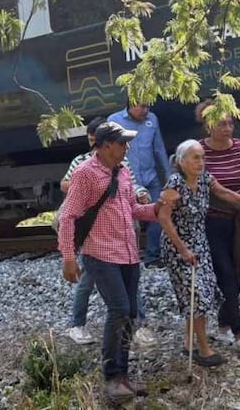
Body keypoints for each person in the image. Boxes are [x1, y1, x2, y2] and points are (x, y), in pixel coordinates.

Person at [57, 121, 163, 403]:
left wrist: (157, 210)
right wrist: (68, 257)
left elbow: (132, 210)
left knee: (128, 314)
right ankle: (111, 377)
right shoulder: (84, 174)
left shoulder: (124, 171)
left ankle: (123, 375)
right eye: (122, 143)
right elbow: (68, 217)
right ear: (104, 146)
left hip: (128, 253)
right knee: (119, 309)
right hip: (100, 254)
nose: (126, 147)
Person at [157, 140, 240, 367]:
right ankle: (204, 350)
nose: (201, 162)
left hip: (200, 243)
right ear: (182, 162)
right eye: (196, 158)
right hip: (178, 246)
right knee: (196, 296)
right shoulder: (173, 184)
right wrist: (183, 249)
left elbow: (225, 194)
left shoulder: (205, 179)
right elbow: (163, 218)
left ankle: (188, 340)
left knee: (197, 292)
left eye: (203, 157)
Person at [196, 100, 240, 349]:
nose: (228, 128)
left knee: (236, 274)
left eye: (230, 123)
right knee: (224, 272)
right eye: (221, 124)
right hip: (211, 221)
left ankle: (224, 324)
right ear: (208, 127)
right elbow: (219, 191)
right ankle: (239, 331)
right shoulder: (200, 153)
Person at [109, 102, 169, 265]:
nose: (146, 111)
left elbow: (159, 149)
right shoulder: (114, 120)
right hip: (128, 179)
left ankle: (153, 256)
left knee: (158, 214)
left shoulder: (152, 119)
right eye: (142, 107)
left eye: (148, 107)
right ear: (131, 104)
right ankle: (128, 258)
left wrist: (168, 176)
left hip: (151, 177)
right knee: (127, 219)